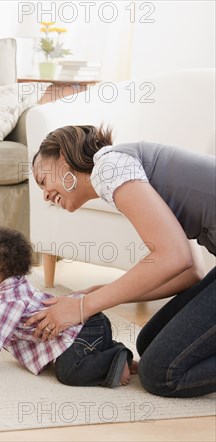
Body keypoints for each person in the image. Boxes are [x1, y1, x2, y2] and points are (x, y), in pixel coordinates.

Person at [29, 125, 215, 398]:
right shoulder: (123, 169)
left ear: (62, 159)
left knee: (161, 374)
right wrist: (98, 293)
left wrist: (82, 307)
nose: (44, 194)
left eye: (43, 180)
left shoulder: (109, 167)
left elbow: (173, 256)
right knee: (148, 342)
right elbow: (189, 270)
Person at [0, 227, 134, 387]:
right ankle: (113, 353)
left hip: (82, 331)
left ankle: (113, 361)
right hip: (92, 323)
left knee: (68, 370)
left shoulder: (9, 303)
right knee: (79, 351)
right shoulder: (18, 286)